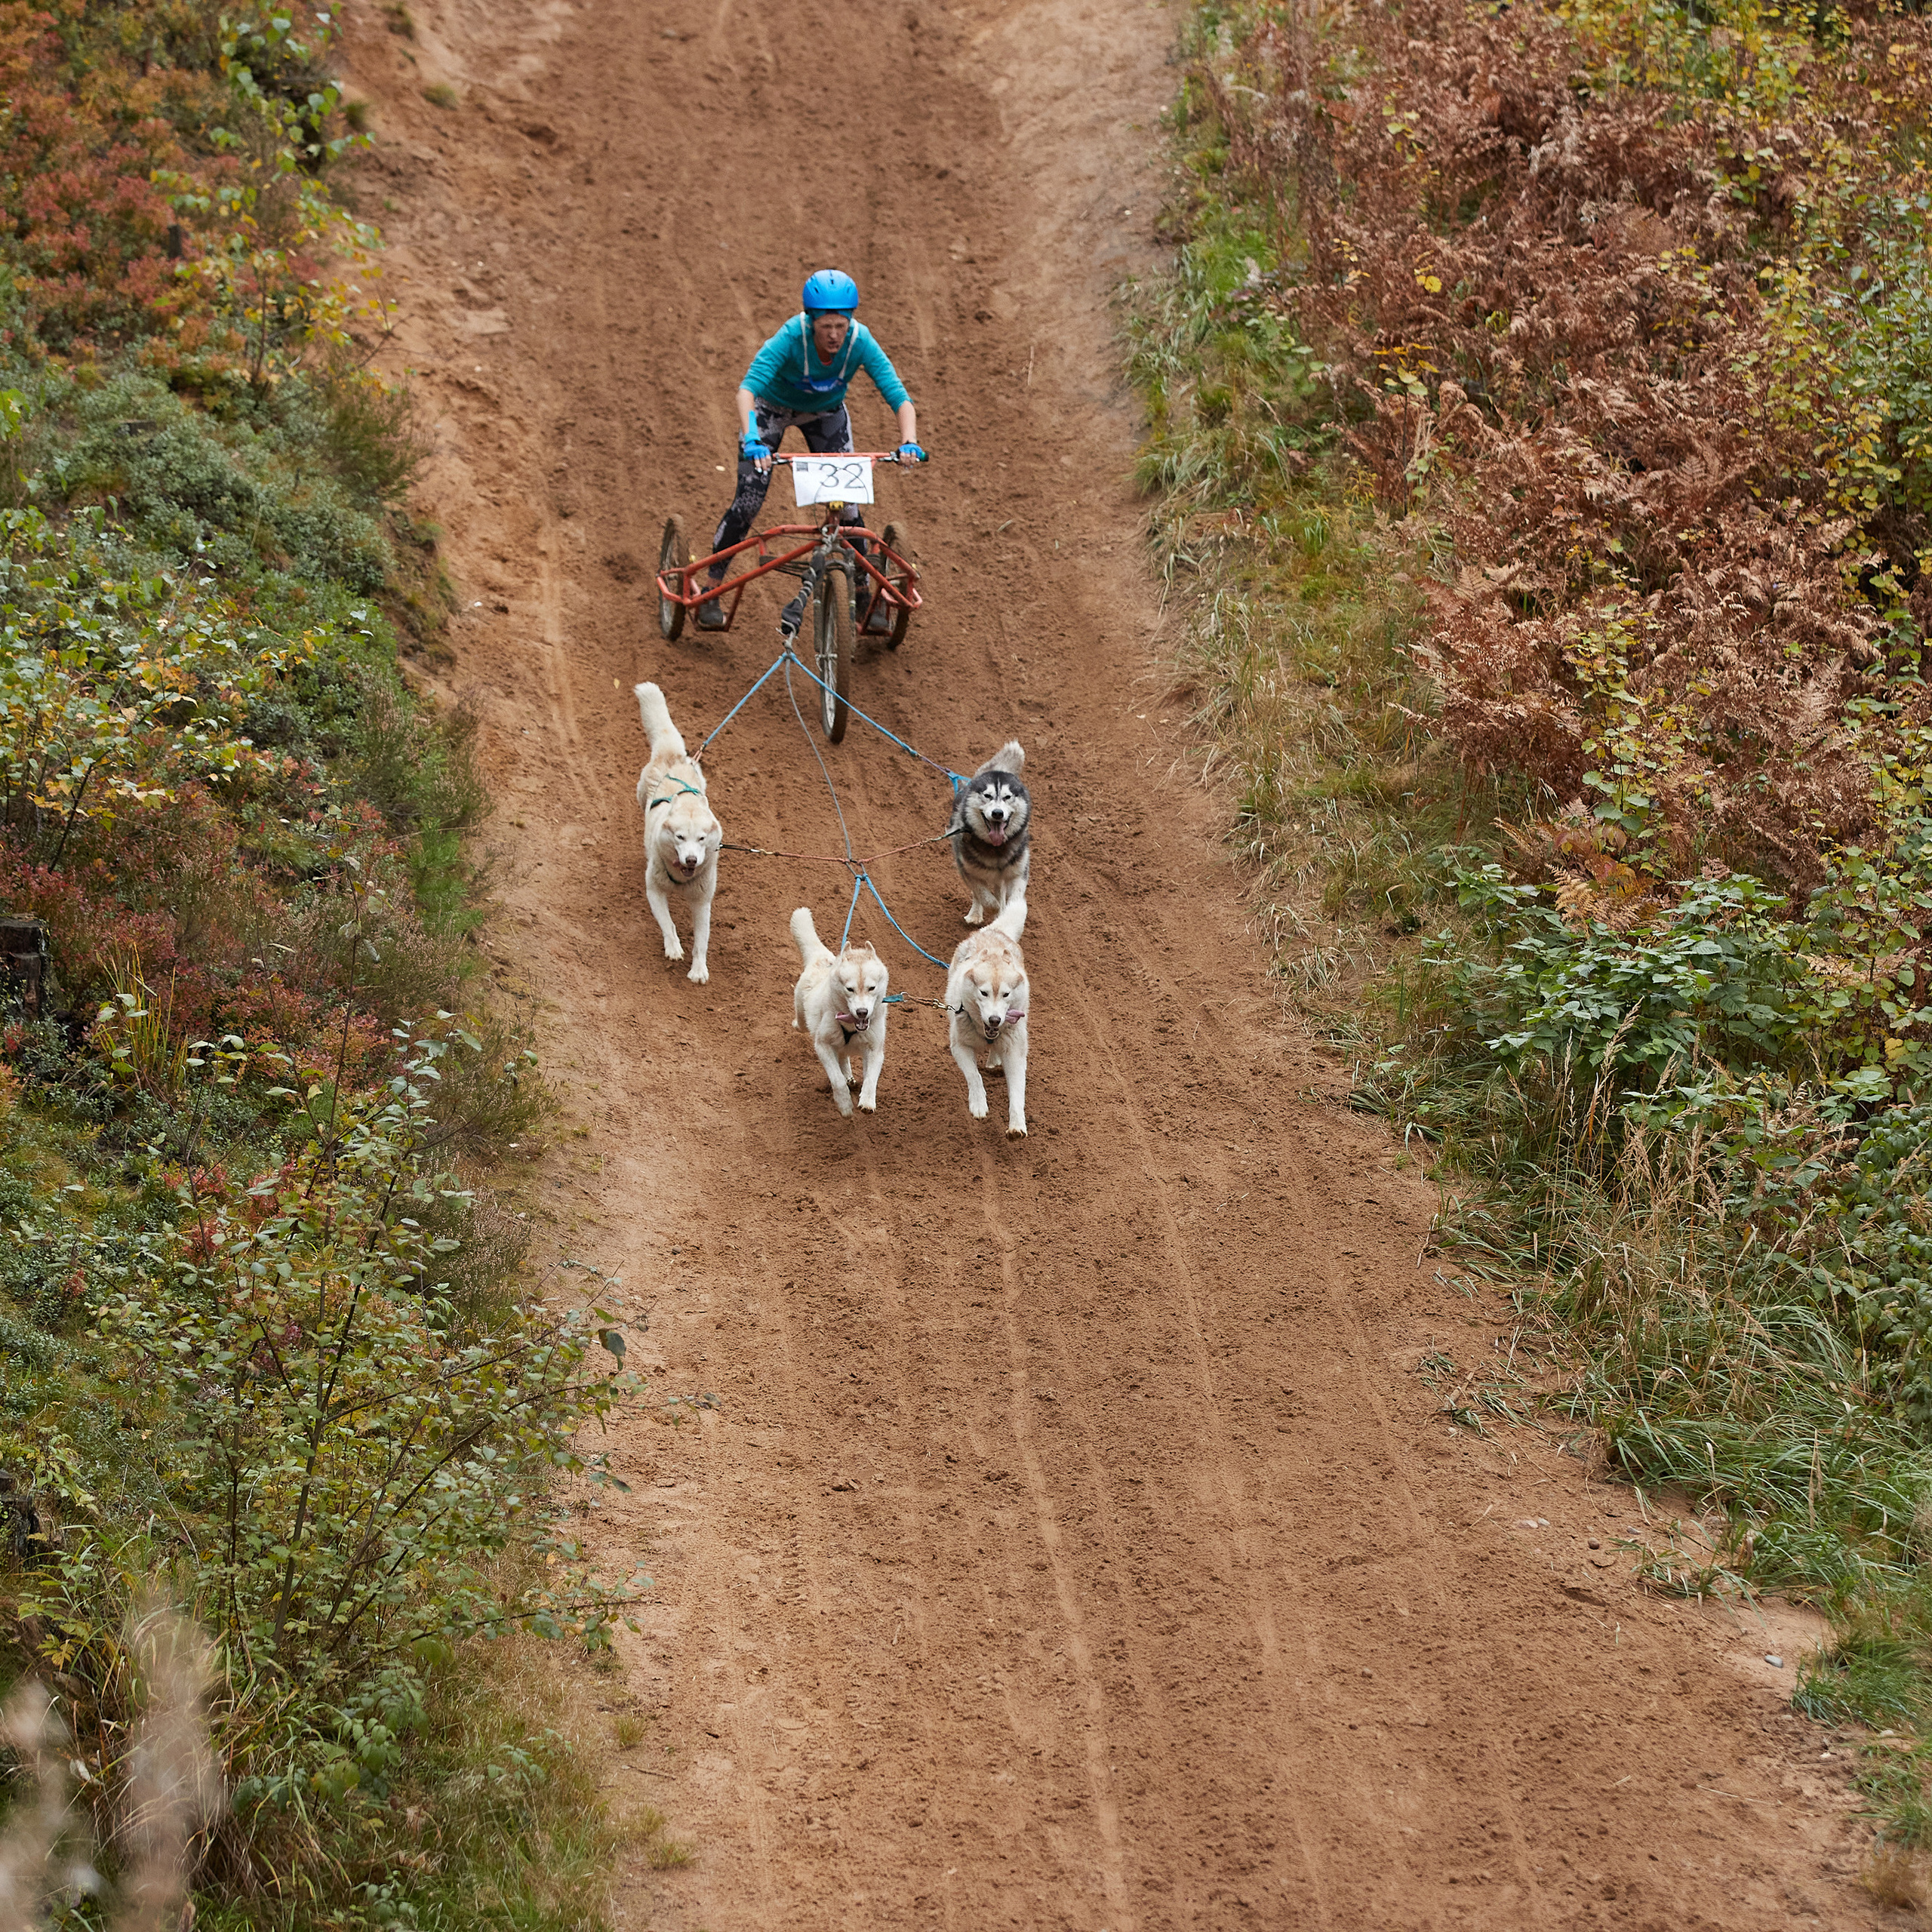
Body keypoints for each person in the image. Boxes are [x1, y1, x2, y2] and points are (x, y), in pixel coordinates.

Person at [697, 269, 926, 635]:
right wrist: (752, 437)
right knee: (748, 502)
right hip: (771, 410)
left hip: (826, 413)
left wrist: (909, 440)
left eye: (841, 325)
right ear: (810, 321)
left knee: (848, 509)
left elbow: (899, 396)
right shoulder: (790, 338)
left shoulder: (860, 341)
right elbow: (747, 390)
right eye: (826, 327)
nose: (835, 335)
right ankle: (710, 587)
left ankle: (864, 595)